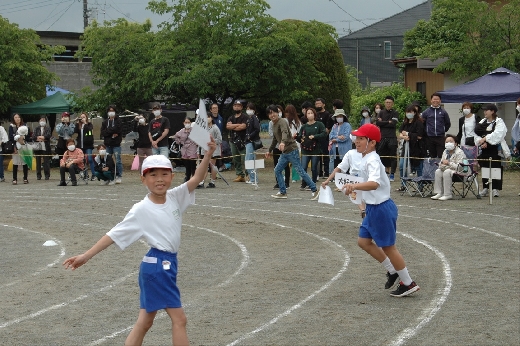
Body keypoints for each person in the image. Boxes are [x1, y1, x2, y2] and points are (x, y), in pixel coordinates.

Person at [63, 137, 217, 346]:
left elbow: (197, 178)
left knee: (145, 322)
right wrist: (86, 255)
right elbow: (114, 234)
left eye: (164, 174)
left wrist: (207, 154)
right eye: (153, 175)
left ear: (172, 176)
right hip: (158, 267)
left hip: (162, 265)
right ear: (143, 180)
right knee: (179, 319)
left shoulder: (174, 197)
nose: (159, 179)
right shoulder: (141, 209)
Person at [342, 123, 420, 297]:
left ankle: (408, 283)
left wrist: (353, 186)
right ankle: (392, 271)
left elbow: (374, 183)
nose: (357, 141)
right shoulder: (365, 158)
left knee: (389, 247)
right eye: (357, 138)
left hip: (381, 208)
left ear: (372, 143)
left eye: (361, 139)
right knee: (363, 241)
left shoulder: (373, 160)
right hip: (372, 208)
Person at [267, 104, 320, 200]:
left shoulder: (282, 121)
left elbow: (285, 132)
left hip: (292, 150)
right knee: (277, 170)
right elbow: (275, 139)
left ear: (278, 113)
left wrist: (282, 142)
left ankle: (314, 190)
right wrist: (269, 150)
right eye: (270, 114)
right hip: (285, 152)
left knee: (300, 171)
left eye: (274, 112)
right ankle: (283, 192)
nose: (272, 115)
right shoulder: (273, 124)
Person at [322, 144, 366, 218]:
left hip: (355, 179)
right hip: (367, 179)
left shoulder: (350, 153)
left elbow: (339, 168)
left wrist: (328, 180)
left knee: (353, 193)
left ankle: (362, 209)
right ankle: (364, 211)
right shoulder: (371, 153)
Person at [474, 103, 507, 197]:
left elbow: (498, 134)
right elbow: (476, 133)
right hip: (484, 149)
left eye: (486, 110)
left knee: (495, 167)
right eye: (484, 110)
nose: (485, 112)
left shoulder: (499, 122)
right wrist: (481, 141)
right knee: (485, 167)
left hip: (495, 149)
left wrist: (486, 139)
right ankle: (486, 187)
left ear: (492, 111)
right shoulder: (482, 122)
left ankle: (495, 188)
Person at [296, 108, 327, 190]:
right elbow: (299, 137)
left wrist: (315, 136)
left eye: (311, 113)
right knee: (303, 167)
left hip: (315, 150)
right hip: (305, 150)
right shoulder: (304, 126)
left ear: (314, 114)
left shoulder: (319, 124)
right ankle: (304, 183)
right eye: (308, 113)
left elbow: (324, 133)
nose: (310, 115)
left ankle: (312, 183)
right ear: (306, 115)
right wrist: (297, 137)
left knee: (314, 167)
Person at [397, 105, 425, 192]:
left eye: (411, 112)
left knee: (418, 167)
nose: (409, 114)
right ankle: (403, 184)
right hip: (406, 147)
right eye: (407, 112)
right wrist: (403, 136)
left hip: (417, 148)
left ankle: (420, 186)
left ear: (415, 113)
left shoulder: (419, 123)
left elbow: (419, 136)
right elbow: (400, 133)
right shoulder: (405, 122)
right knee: (402, 166)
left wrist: (408, 134)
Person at [431, 134, 466, 201]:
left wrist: (449, 163)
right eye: (446, 142)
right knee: (438, 171)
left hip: (459, 172)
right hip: (447, 170)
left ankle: (448, 194)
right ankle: (439, 193)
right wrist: (441, 165)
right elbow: (442, 163)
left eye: (450, 141)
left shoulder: (460, 152)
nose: (448, 143)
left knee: (447, 172)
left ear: (455, 143)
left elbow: (459, 167)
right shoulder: (445, 151)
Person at [376, 96, 399, 181]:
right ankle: (384, 173)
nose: (388, 104)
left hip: (392, 137)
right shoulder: (381, 112)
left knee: (392, 156)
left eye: (390, 103)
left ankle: (392, 174)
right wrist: (387, 122)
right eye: (387, 102)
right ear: (384, 103)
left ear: (392, 103)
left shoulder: (395, 113)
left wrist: (383, 122)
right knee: (380, 155)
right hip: (382, 137)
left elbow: (393, 123)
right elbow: (378, 123)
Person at [421, 93, 451, 158]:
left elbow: (448, 123)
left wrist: (442, 130)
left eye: (437, 99)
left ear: (440, 101)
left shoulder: (443, 112)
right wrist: (426, 131)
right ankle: (433, 168)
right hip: (430, 138)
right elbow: (422, 123)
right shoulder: (426, 112)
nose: (435, 101)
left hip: (440, 137)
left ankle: (440, 167)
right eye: (434, 99)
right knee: (432, 156)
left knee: (441, 155)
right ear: (431, 100)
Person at [269, 106, 290, 189]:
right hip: (276, 146)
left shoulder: (284, 121)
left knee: (286, 164)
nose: (274, 114)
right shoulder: (271, 122)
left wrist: (282, 141)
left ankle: (287, 182)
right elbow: (271, 133)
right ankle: (278, 182)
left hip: (285, 146)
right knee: (276, 164)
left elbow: (286, 132)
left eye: (278, 111)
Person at [100, 105, 123, 184]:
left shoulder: (118, 121)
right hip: (107, 144)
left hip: (116, 144)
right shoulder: (105, 122)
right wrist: (111, 132)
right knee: (108, 161)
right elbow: (103, 133)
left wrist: (108, 131)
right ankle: (109, 177)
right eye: (109, 111)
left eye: (112, 110)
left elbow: (118, 129)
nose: (111, 112)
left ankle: (119, 176)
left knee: (118, 160)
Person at [226, 100, 248, 182]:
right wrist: (237, 125)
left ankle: (248, 174)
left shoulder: (245, 117)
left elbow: (243, 126)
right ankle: (240, 175)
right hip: (233, 140)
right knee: (236, 158)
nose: (236, 107)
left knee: (245, 158)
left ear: (242, 107)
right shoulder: (231, 117)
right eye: (235, 105)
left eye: (238, 106)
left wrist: (233, 126)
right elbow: (228, 126)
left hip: (243, 141)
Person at [200, 113, 222, 188]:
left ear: (211, 118)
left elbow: (219, 139)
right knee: (204, 166)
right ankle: (202, 182)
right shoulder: (203, 128)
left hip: (213, 151)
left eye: (208, 117)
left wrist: (211, 141)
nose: (207, 119)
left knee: (212, 166)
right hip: (205, 150)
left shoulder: (215, 128)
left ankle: (212, 182)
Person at [174, 117, 198, 182]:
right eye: (186, 122)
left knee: (193, 165)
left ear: (191, 123)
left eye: (188, 122)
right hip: (185, 150)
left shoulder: (194, 130)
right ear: (183, 123)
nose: (187, 124)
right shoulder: (181, 131)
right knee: (187, 165)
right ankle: (187, 177)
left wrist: (196, 143)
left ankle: (194, 178)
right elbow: (176, 136)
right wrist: (179, 142)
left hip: (192, 149)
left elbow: (198, 137)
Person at [328, 109, 352, 173]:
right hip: (335, 148)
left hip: (345, 148)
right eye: (338, 116)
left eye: (341, 116)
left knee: (345, 164)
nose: (339, 118)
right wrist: (338, 137)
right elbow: (331, 136)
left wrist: (335, 139)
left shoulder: (347, 125)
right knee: (336, 165)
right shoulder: (334, 126)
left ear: (344, 117)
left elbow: (345, 137)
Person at [74, 112, 95, 180]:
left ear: (86, 118)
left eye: (84, 117)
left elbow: (89, 130)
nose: (82, 118)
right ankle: (85, 175)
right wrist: (77, 123)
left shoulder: (89, 124)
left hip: (88, 145)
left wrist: (85, 123)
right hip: (81, 145)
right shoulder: (79, 125)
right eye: (81, 117)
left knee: (89, 159)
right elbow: (75, 131)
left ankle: (94, 174)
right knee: (82, 160)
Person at [9, 114, 29, 185]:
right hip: (15, 146)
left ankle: (25, 178)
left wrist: (22, 138)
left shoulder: (25, 126)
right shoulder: (11, 127)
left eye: (18, 117)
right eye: (16, 117)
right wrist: (16, 140)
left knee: (24, 162)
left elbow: (28, 136)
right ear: (13, 119)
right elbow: (11, 137)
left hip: (24, 145)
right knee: (15, 162)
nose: (17, 119)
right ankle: (14, 179)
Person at [244, 103, 261, 185]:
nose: (248, 110)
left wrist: (249, 136)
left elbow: (257, 129)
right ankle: (253, 178)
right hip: (248, 141)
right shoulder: (249, 118)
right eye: (247, 108)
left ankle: (254, 179)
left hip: (251, 141)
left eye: (250, 109)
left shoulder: (254, 118)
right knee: (250, 160)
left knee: (249, 160)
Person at [315, 98, 332, 177]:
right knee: (317, 157)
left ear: (324, 104)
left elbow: (328, 128)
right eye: (316, 104)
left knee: (325, 156)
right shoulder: (315, 114)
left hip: (325, 138)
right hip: (316, 139)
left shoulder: (327, 114)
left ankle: (326, 172)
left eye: (319, 103)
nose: (318, 105)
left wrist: (324, 134)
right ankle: (319, 173)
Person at [285, 104, 302, 184]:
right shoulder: (285, 121)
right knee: (286, 160)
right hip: (287, 143)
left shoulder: (297, 122)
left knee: (295, 161)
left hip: (295, 144)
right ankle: (288, 175)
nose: (287, 114)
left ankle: (295, 177)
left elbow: (300, 133)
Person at [32, 116, 52, 180]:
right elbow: (34, 136)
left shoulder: (48, 128)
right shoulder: (36, 128)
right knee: (38, 161)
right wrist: (41, 138)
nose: (42, 121)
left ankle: (47, 175)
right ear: (39, 121)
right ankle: (38, 175)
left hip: (45, 146)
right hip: (37, 146)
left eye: (44, 120)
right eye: (41, 120)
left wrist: (42, 137)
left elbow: (48, 136)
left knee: (46, 161)